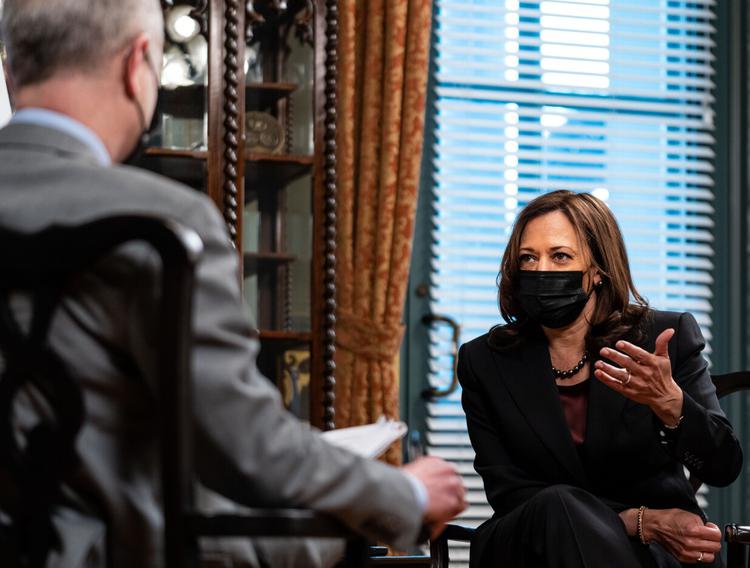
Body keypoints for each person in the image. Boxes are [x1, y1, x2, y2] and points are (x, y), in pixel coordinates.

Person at [0, 0, 465, 566]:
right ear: (137, 64)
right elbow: (245, 449)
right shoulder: (166, 221)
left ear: (10, 71)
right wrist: (405, 493)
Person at [457, 190, 744, 567]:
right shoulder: (485, 360)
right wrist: (636, 521)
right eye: (529, 258)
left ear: (598, 271)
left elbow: (723, 467)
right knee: (557, 503)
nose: (541, 270)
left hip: (654, 553)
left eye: (560, 256)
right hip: (531, 546)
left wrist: (670, 405)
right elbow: (509, 490)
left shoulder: (664, 338)